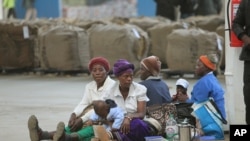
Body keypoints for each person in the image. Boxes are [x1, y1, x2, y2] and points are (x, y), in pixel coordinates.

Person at [27, 57, 116, 141]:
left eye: (101, 70)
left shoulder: (112, 86)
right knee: (72, 126)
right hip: (90, 117)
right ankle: (41, 134)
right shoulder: (89, 86)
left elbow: (99, 108)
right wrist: (73, 115)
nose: (97, 73)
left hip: (106, 120)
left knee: (89, 129)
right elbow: (83, 103)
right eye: (94, 70)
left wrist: (82, 119)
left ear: (107, 71)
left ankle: (61, 137)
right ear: (91, 72)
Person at [178, 54, 226, 139]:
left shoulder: (203, 83)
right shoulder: (212, 79)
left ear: (206, 68)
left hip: (210, 122)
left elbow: (197, 106)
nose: (195, 67)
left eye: (198, 65)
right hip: (218, 120)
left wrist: (185, 100)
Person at [103, 59, 151, 141]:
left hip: (135, 123)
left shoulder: (140, 89)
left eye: (131, 76)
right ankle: (117, 134)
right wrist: (113, 126)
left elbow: (141, 114)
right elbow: (107, 116)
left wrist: (129, 117)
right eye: (126, 76)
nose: (129, 79)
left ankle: (116, 136)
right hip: (116, 123)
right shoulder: (109, 92)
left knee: (138, 125)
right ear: (118, 77)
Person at [232, 0, 250, 125]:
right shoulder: (246, 3)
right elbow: (236, 23)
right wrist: (245, 38)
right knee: (249, 97)